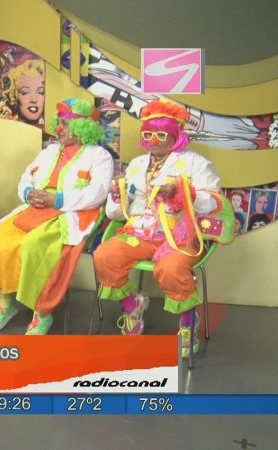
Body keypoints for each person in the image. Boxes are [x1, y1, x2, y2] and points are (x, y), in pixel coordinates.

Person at [94, 99, 222, 358]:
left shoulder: (195, 163)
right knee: (104, 256)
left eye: (161, 135)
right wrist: (118, 197)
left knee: (170, 269)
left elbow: (214, 203)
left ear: (175, 136)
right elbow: (115, 214)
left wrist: (184, 192)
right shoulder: (137, 164)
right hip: (140, 232)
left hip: (181, 236)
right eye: (148, 134)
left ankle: (188, 323)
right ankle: (132, 307)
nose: (153, 140)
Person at [0, 97, 112, 335]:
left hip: (73, 212)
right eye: (57, 122)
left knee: (35, 245)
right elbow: (26, 178)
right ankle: (6, 303)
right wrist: (28, 193)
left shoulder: (100, 156)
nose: (58, 129)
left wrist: (57, 200)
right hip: (37, 208)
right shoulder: (49, 151)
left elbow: (98, 194)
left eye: (64, 124)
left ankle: (41, 313)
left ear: (82, 127)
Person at [10, 59, 45, 127]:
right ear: (15, 95)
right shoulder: (7, 127)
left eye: (40, 92)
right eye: (25, 92)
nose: (33, 100)